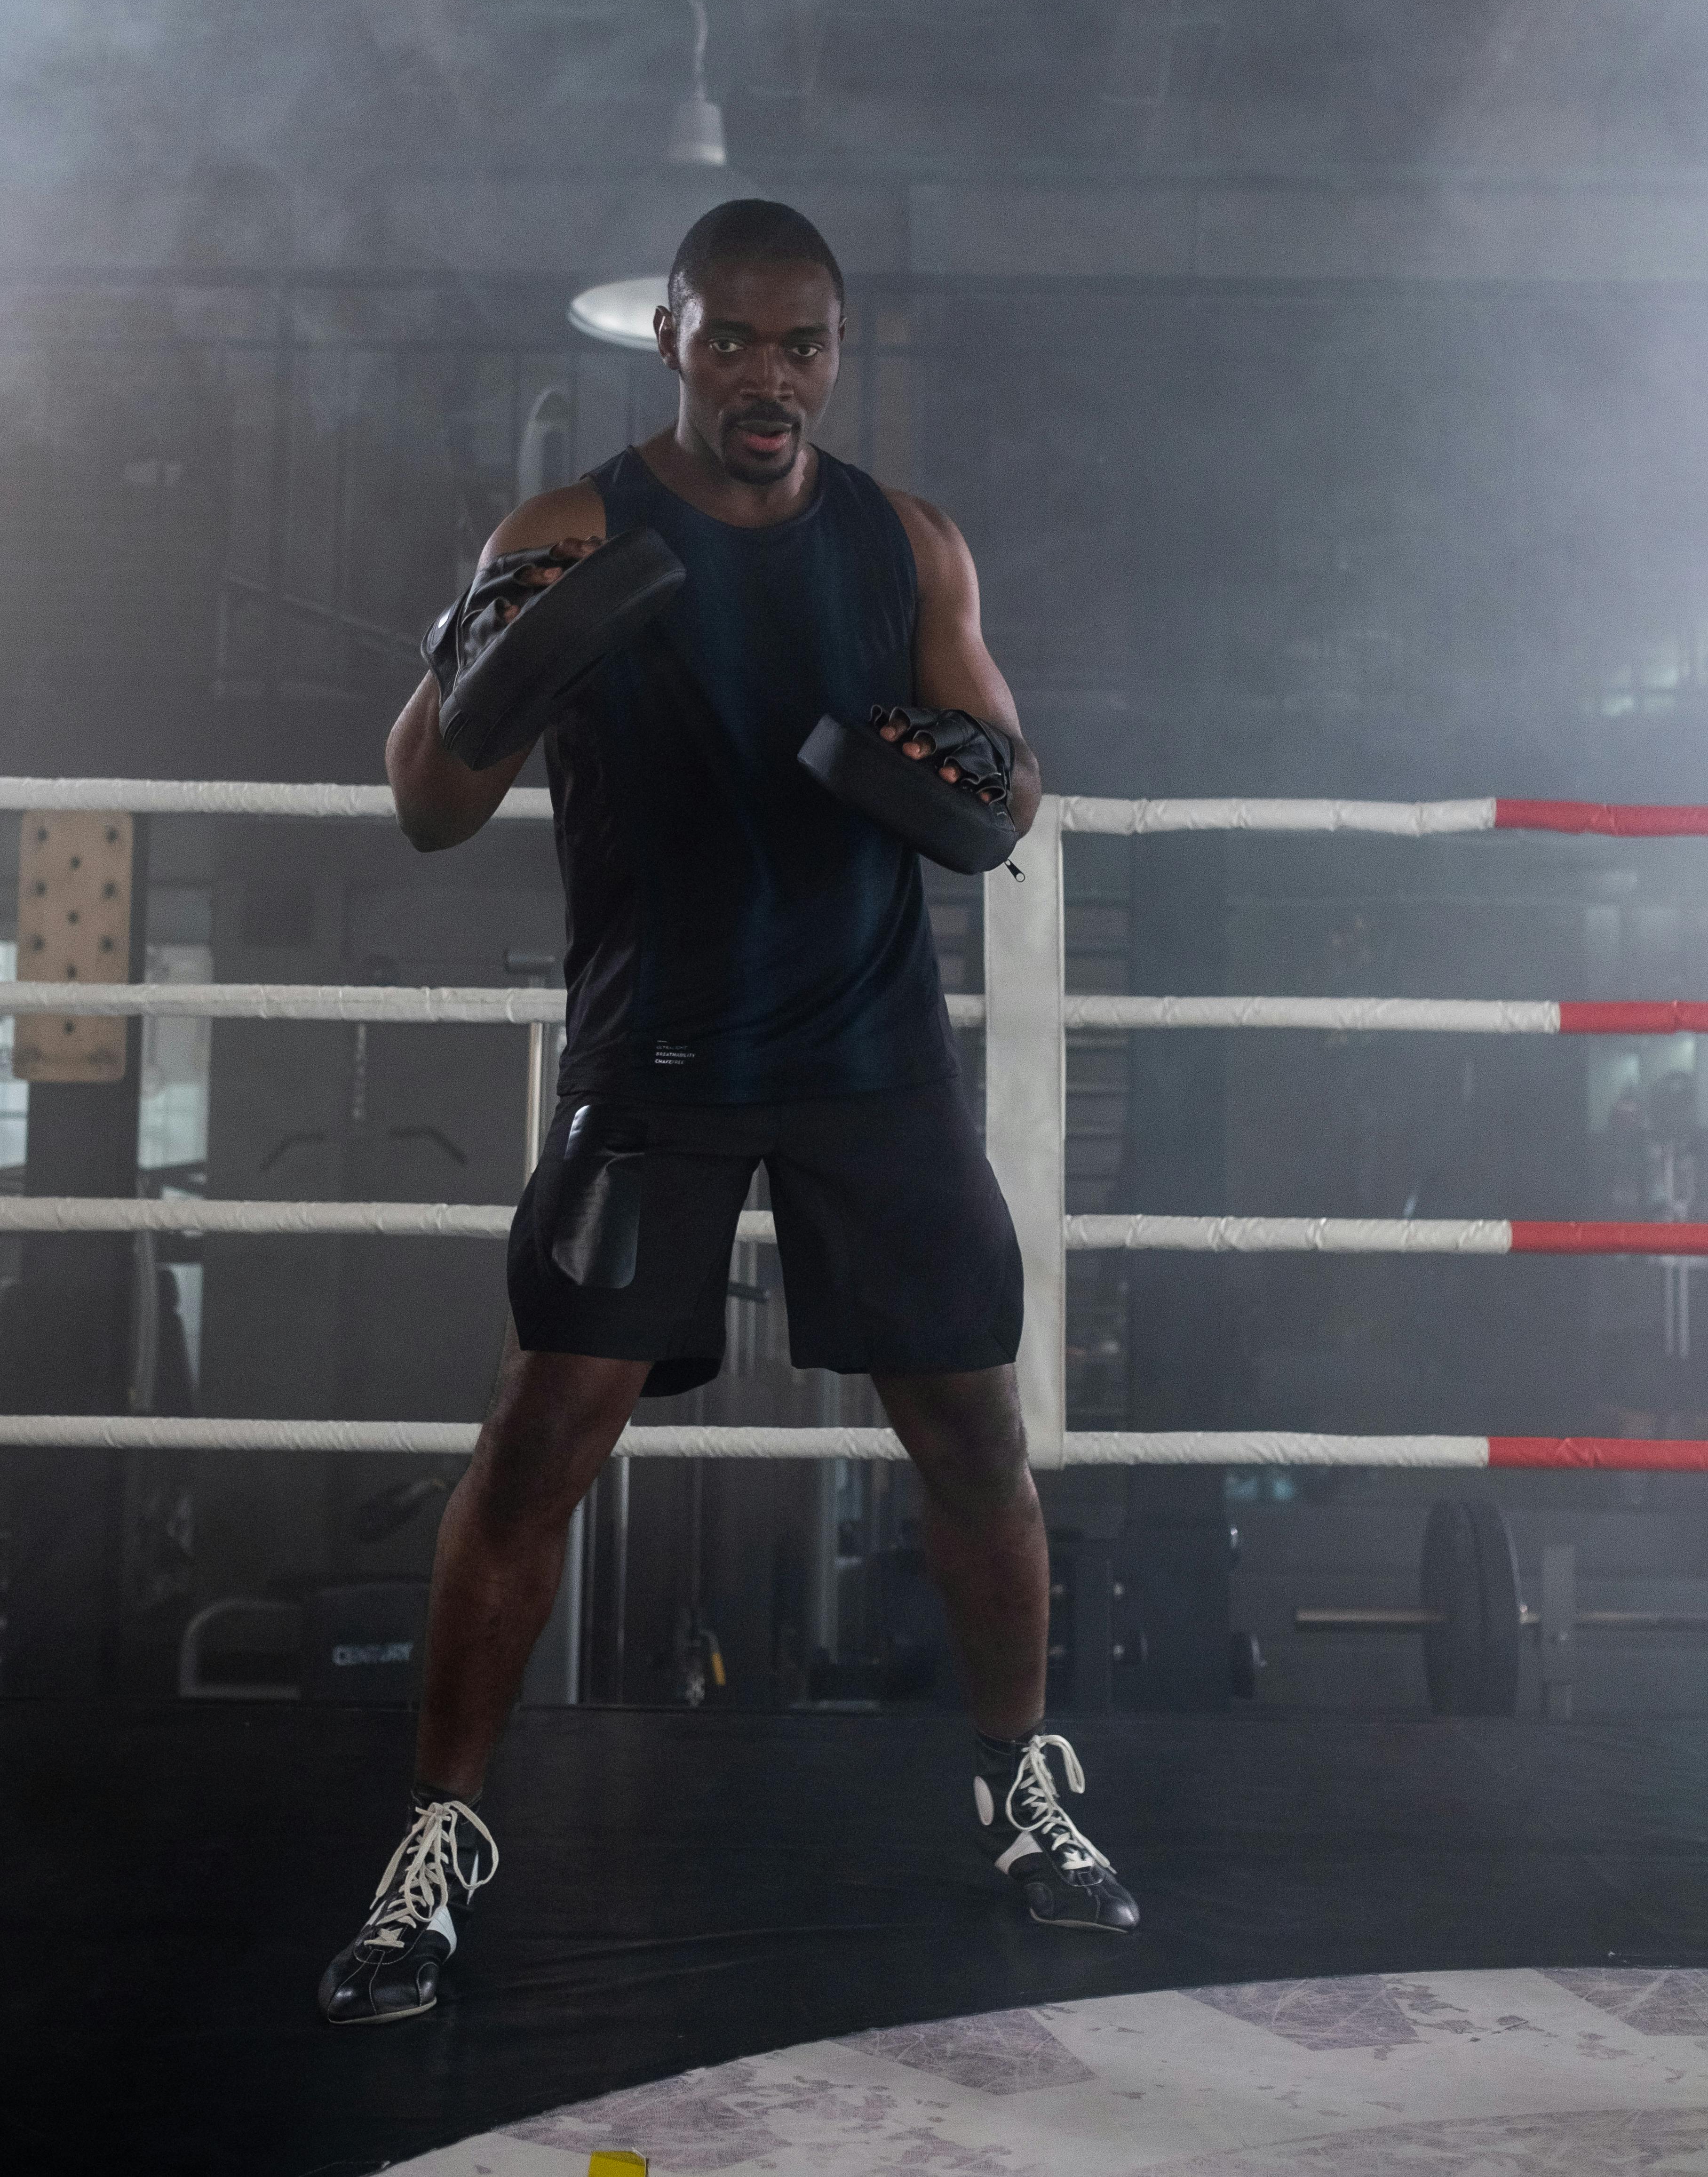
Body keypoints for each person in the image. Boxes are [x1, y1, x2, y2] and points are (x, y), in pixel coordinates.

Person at [318, 199, 1139, 2026]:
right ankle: (438, 1835)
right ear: (669, 337)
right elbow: (427, 809)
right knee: (539, 1443)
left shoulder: (908, 547)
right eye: (734, 340)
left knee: (977, 1438)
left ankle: (1019, 1779)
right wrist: (501, 672)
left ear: (835, 353)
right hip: (660, 1054)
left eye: (803, 344)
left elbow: (1007, 794)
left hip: (871, 1055)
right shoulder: (566, 531)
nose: (769, 377)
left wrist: (972, 781)